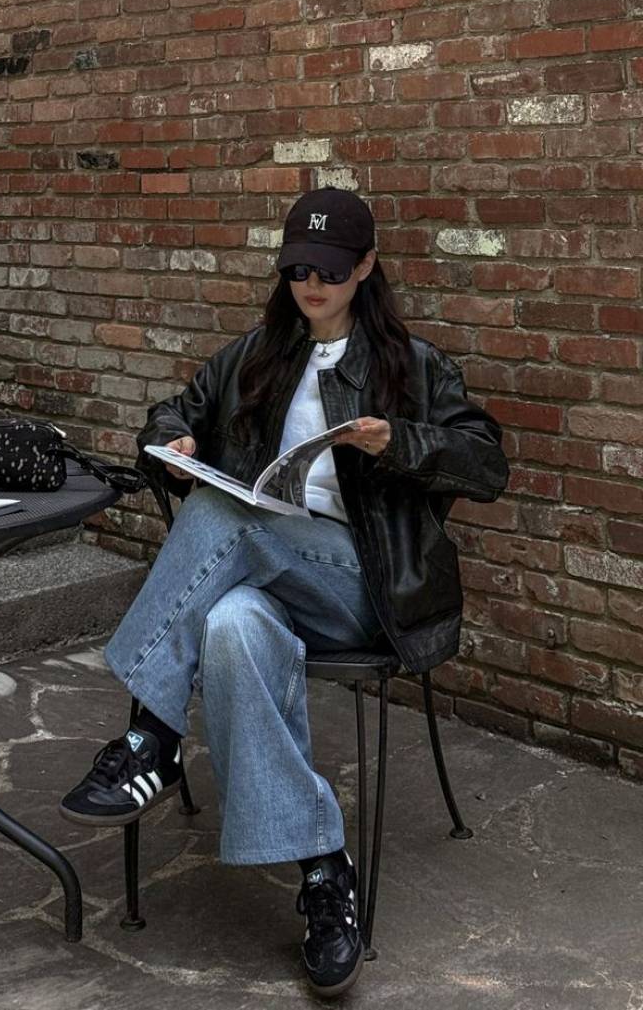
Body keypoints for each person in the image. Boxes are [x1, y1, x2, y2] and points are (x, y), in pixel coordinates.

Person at [60, 188, 509, 997]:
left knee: (227, 516)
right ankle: (324, 873)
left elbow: (487, 464)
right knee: (230, 625)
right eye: (299, 268)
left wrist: (397, 439)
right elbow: (169, 412)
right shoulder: (257, 356)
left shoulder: (413, 366)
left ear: (366, 267)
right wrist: (173, 440)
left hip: (365, 589)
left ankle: (153, 734)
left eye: (330, 270)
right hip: (267, 576)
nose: (312, 284)